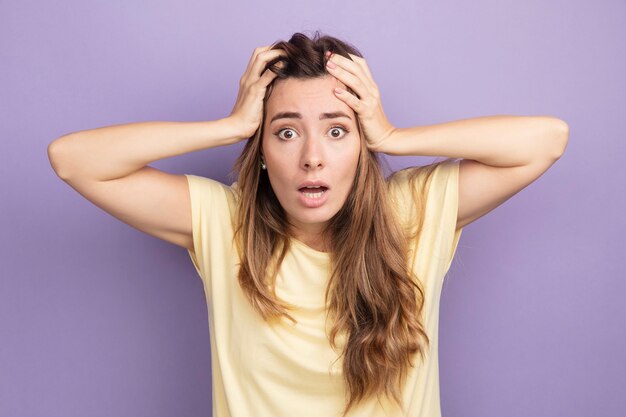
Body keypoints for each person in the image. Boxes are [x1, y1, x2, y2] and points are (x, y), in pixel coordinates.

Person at [47, 31, 569, 417]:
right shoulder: (224, 224)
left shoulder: (410, 212)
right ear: (262, 153)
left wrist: (392, 135)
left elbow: (546, 139)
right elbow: (73, 159)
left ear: (361, 146)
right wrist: (230, 125)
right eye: (287, 133)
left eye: (338, 131)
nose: (313, 158)